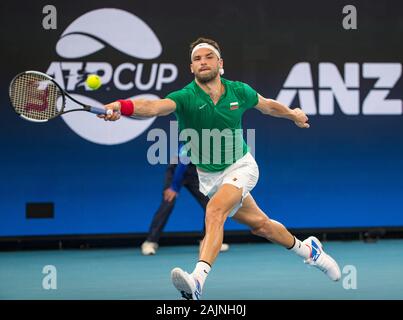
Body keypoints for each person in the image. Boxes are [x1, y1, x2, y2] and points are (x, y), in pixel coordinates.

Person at [99, 37, 341, 300]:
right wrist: (122, 107)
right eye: (197, 59)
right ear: (191, 68)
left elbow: (268, 105)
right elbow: (154, 106)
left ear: (220, 63)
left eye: (208, 57)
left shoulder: (239, 91)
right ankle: (310, 252)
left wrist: (293, 114)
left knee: (214, 211)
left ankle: (198, 280)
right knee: (262, 226)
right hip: (209, 178)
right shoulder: (185, 97)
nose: (202, 62)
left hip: (242, 166)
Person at [141, 144, 230, 255]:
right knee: (168, 203)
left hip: (195, 172)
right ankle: (150, 242)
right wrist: (174, 187)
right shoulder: (194, 137)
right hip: (177, 169)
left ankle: (207, 241)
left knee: (210, 204)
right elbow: (182, 163)